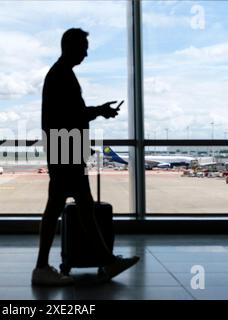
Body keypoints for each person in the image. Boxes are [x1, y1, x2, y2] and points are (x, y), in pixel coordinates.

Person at [32, 28, 140, 286]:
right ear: (70, 46)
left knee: (79, 207)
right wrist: (100, 111)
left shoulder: (60, 74)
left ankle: (103, 260)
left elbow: (68, 116)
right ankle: (43, 267)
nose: (87, 52)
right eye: (84, 47)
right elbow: (73, 116)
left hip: (64, 149)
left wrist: (96, 115)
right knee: (68, 207)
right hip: (65, 151)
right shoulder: (62, 76)